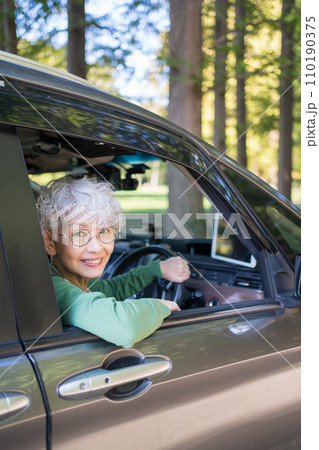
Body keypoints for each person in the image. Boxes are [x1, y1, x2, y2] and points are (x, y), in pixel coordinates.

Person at [38, 176, 190, 348]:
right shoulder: (55, 290)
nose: (96, 247)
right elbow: (125, 327)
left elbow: (111, 289)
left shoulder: (75, 279)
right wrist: (159, 306)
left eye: (104, 231)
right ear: (50, 242)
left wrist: (156, 269)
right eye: (79, 234)